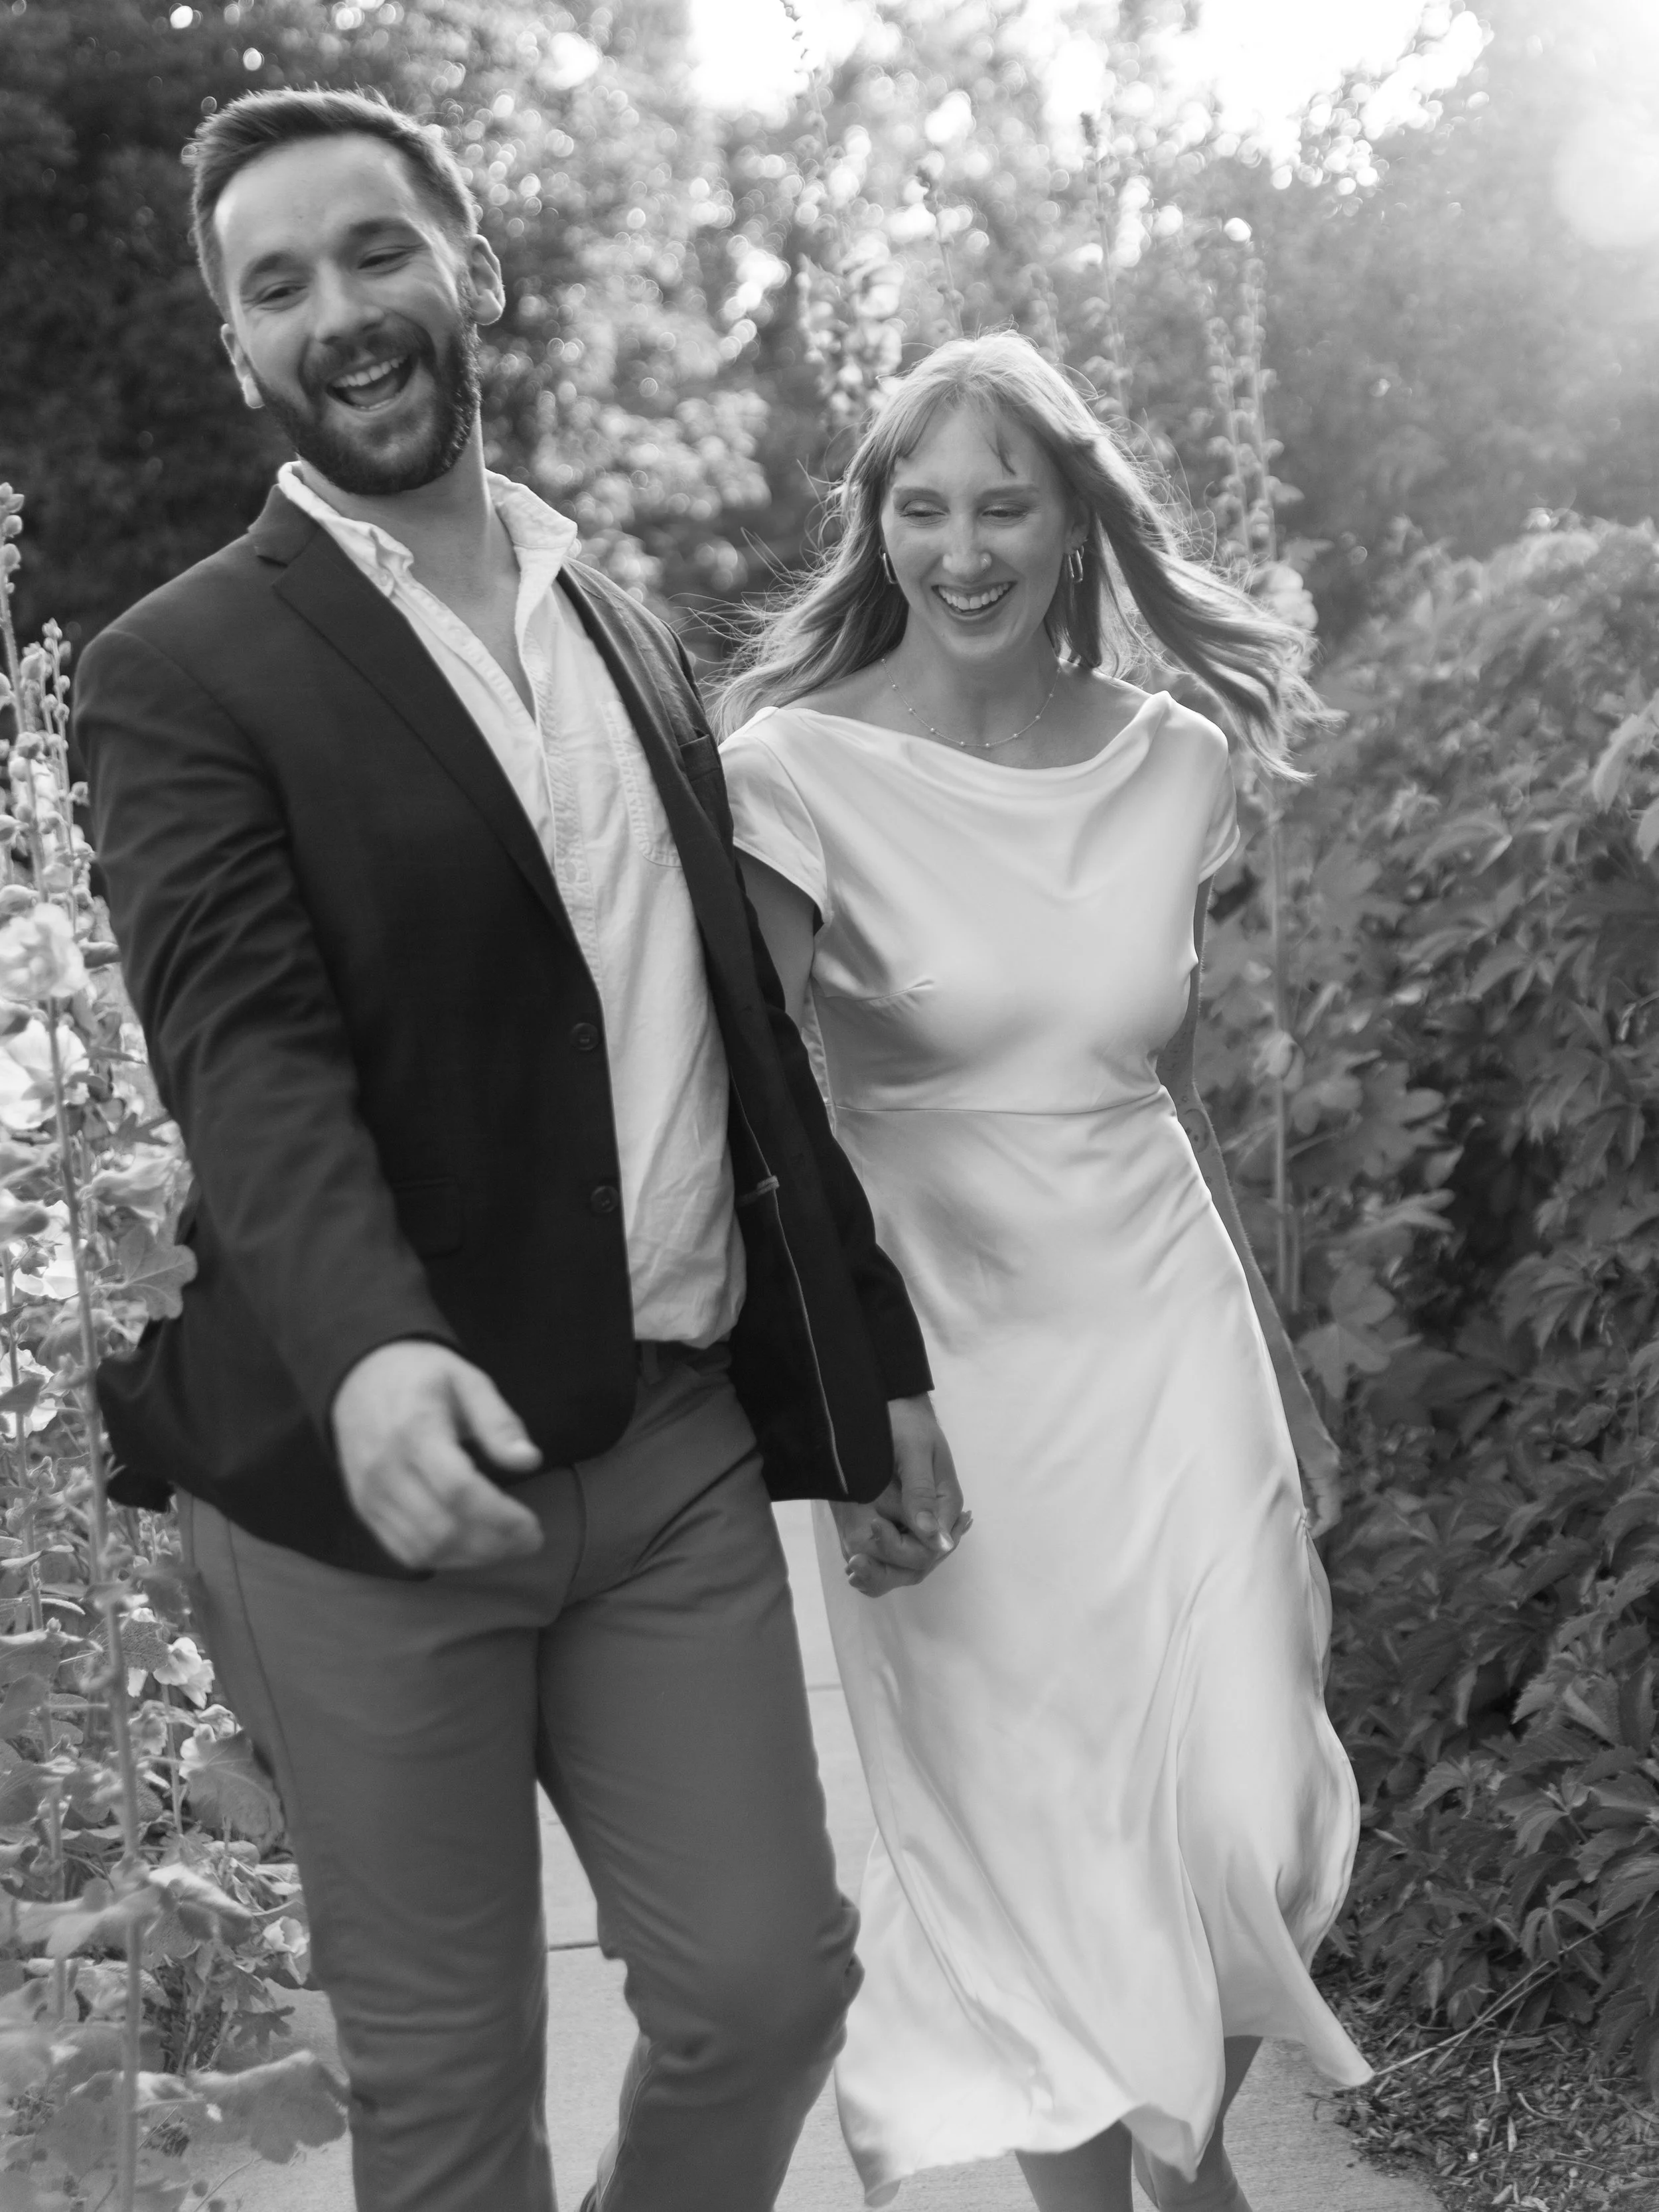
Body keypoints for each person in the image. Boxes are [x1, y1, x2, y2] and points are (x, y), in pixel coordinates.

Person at [72, 88, 966, 2212]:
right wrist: (375, 1344)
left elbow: (741, 1045)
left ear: (470, 269)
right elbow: (245, 1050)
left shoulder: (619, 621)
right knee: (453, 2105)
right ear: (238, 351)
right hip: (356, 1496)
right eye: (274, 285)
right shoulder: (180, 669)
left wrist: (879, 1352)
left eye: (376, 253)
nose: (341, 314)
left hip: (663, 1452)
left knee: (766, 1984)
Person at [717, 331, 1370, 2212]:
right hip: (947, 1380)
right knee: (1028, 1839)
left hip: (1166, 1342)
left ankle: (1182, 2150)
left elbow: (1159, 1086)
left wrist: (1278, 1357)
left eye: (1003, 500)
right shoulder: (795, 773)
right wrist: (844, 1405)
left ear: (1073, 509)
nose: (963, 544)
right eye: (920, 506)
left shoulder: (1173, 762)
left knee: (1254, 1805)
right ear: (878, 529)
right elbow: (768, 1116)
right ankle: (1112, 2194)